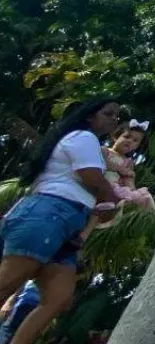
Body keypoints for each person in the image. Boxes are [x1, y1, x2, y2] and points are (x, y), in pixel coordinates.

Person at [0, 97, 122, 344]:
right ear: (90, 115)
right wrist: (111, 197)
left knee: (59, 298)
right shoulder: (83, 137)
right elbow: (91, 178)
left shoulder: (88, 143)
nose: (114, 120)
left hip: (66, 222)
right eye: (108, 114)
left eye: (116, 117)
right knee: (7, 282)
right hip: (50, 212)